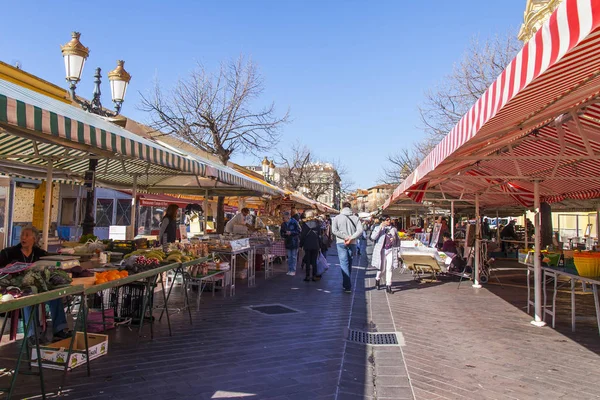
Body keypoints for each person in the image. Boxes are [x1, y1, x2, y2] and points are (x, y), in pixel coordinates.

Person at [0, 227, 70, 343]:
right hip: (16, 288)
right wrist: (4, 268)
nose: (23, 237)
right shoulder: (8, 253)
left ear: (34, 239)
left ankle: (60, 329)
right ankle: (32, 334)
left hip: (40, 286)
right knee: (29, 297)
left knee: (55, 295)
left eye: (27, 235)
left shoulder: (40, 254)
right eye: (22, 235)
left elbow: (51, 266)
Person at [332, 202, 363, 293]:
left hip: (341, 242)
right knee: (349, 263)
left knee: (344, 263)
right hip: (352, 243)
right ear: (350, 207)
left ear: (342, 207)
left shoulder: (337, 218)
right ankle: (346, 283)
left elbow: (334, 230)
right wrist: (351, 237)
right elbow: (360, 230)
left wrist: (344, 237)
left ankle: (347, 285)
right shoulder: (356, 218)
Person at [370, 216, 399, 294]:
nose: (389, 221)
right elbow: (373, 237)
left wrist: (394, 239)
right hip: (381, 250)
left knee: (389, 268)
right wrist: (380, 228)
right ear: (383, 221)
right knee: (382, 269)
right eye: (387, 220)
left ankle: (388, 286)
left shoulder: (393, 229)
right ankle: (377, 279)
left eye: (389, 220)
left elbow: (397, 239)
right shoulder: (378, 228)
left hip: (390, 250)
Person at [299, 210, 322, 282]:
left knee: (308, 261)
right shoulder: (317, 224)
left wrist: (301, 245)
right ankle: (314, 276)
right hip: (315, 245)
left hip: (307, 244)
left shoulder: (305, 225)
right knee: (314, 261)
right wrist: (320, 245)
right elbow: (319, 236)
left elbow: (302, 236)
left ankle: (307, 276)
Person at [280, 211, 301, 276]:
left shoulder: (294, 222)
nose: (284, 219)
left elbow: (299, 231)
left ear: (288, 217)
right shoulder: (283, 224)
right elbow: (281, 232)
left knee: (293, 257)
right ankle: (289, 270)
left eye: (285, 218)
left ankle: (293, 270)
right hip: (288, 242)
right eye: (283, 218)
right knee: (289, 257)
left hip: (294, 241)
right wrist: (284, 234)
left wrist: (291, 233)